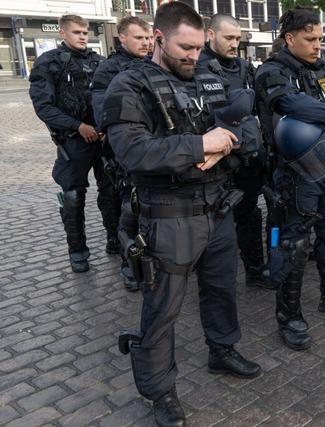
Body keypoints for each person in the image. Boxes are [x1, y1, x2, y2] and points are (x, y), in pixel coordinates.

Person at [102, 3, 262, 425]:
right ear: (158, 38)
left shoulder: (209, 76)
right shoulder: (129, 85)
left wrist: (227, 143)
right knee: (163, 309)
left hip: (218, 208)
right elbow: (132, 152)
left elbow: (249, 125)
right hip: (168, 216)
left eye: (198, 46)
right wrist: (201, 145)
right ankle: (160, 392)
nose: (194, 55)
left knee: (221, 289)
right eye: (184, 47)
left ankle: (222, 350)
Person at [255, 7, 325, 351]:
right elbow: (290, 103)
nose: (317, 45)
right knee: (294, 242)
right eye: (310, 39)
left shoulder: (324, 69)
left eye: (320, 38)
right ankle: (289, 317)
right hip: (295, 171)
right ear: (289, 38)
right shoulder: (272, 71)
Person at [29, 15, 118, 273]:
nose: (82, 36)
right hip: (73, 143)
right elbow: (44, 107)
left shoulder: (99, 62)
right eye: (77, 32)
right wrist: (77, 126)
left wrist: (105, 127)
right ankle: (77, 250)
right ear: (62, 34)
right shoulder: (49, 63)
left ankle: (114, 238)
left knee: (111, 191)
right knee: (71, 197)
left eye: (85, 32)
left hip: (102, 140)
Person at [198, 14, 272, 289]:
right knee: (213, 221)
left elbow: (257, 107)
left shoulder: (244, 66)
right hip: (215, 158)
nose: (234, 43)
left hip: (247, 155)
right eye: (228, 37)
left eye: (237, 38)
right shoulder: (196, 66)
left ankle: (254, 268)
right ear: (210, 35)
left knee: (250, 213)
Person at [91, 15, 151, 291]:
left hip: (155, 150)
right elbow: (105, 113)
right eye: (139, 37)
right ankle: (130, 266)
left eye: (149, 37)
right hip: (126, 153)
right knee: (130, 211)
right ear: (122, 38)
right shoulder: (108, 70)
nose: (146, 42)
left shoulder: (154, 65)